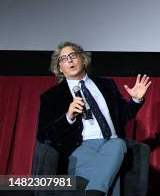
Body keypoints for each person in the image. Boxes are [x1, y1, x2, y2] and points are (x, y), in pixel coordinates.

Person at [37, 41, 152, 196]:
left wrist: (136, 100)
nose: (69, 60)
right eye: (63, 59)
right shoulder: (52, 96)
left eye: (73, 55)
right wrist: (68, 117)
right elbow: (44, 135)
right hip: (80, 149)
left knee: (117, 144)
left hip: (112, 143)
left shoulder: (106, 84)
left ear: (83, 59)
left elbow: (124, 116)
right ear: (59, 68)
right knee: (109, 175)